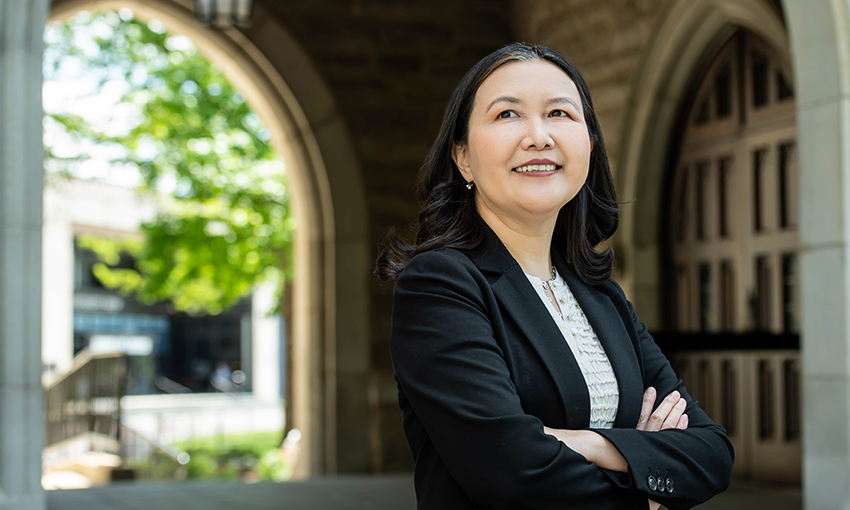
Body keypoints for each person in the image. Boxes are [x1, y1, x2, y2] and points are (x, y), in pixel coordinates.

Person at [375, 43, 734, 510]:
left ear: (589, 146)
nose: (538, 137)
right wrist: (644, 481)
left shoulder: (601, 296)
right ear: (462, 157)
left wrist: (589, 443)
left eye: (559, 113)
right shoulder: (440, 286)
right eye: (507, 114)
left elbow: (712, 453)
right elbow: (511, 472)